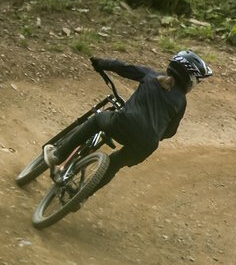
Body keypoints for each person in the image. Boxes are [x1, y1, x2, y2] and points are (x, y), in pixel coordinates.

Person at [44, 50, 211, 186]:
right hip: (146, 145)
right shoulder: (181, 102)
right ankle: (82, 197)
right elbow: (170, 132)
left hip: (125, 123)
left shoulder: (152, 76)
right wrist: (154, 130)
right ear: (189, 79)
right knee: (114, 164)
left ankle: (58, 155)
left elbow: (124, 68)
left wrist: (100, 63)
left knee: (97, 120)